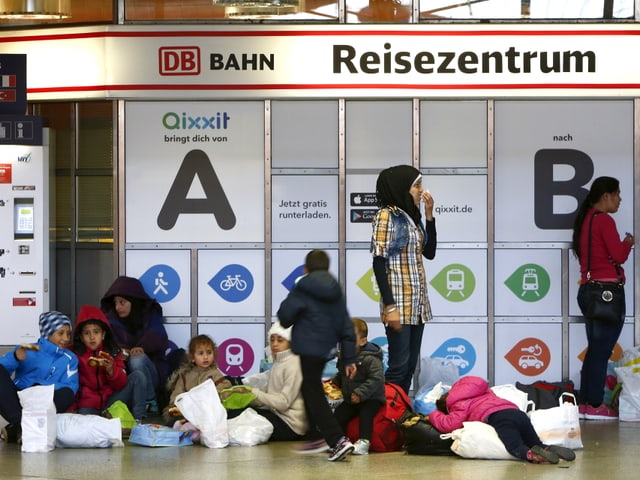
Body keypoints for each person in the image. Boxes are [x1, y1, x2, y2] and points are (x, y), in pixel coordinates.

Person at [278, 249, 358, 462]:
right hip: (326, 349)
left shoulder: (302, 287)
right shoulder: (335, 290)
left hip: (307, 348)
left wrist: (293, 296)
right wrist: (350, 358)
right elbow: (346, 325)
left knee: (312, 392)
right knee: (309, 388)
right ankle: (317, 436)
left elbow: (285, 317)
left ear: (306, 269)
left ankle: (336, 439)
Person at [370, 164, 437, 393]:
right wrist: (389, 306)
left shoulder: (411, 216)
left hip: (417, 304)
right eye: (416, 185)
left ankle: (400, 414)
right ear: (402, 187)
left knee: (409, 367)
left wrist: (429, 217)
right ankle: (386, 420)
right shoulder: (386, 215)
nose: (421, 190)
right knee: (398, 367)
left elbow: (429, 253)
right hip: (399, 302)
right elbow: (379, 262)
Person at [572, 176, 634, 420]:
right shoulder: (605, 220)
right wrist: (628, 242)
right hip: (607, 293)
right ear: (606, 196)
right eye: (617, 194)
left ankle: (586, 403)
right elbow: (618, 255)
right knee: (601, 351)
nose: (619, 200)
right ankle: (596, 404)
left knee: (595, 350)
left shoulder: (586, 219)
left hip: (588, 290)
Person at [429, 376, 576, 464]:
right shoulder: (485, 391)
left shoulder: (458, 404)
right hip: (517, 412)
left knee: (516, 446)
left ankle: (534, 456)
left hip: (500, 418)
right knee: (533, 441)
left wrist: (434, 415)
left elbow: (450, 424)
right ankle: (545, 448)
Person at [0, 311, 79, 443]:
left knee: (67, 394)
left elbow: (71, 386)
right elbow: (3, 371)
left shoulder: (70, 358)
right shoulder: (27, 348)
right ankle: (21, 423)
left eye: (68, 333)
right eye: (61, 333)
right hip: (20, 399)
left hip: (46, 400)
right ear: (48, 333)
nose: (66, 338)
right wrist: (14, 357)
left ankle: (20, 428)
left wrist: (41, 387)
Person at [101, 275, 170, 413]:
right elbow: (107, 345)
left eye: (122, 302)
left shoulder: (149, 314)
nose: (117, 307)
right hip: (125, 377)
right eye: (115, 303)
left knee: (137, 358)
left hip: (152, 374)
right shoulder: (111, 319)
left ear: (133, 301)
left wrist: (141, 347)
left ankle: (150, 402)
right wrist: (120, 352)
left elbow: (158, 336)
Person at [71, 304, 148, 421]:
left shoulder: (112, 351)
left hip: (111, 401)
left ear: (103, 334)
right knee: (89, 431)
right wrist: (73, 409)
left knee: (138, 376)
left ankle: (139, 421)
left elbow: (121, 384)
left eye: (96, 332)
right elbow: (70, 384)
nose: (92, 337)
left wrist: (112, 371)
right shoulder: (74, 354)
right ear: (81, 337)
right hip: (87, 405)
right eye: (87, 333)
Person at [330, 318, 385, 455]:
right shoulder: (344, 356)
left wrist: (360, 393)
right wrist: (335, 382)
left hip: (371, 397)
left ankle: (364, 442)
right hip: (351, 398)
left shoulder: (371, 358)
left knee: (366, 414)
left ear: (362, 341)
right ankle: (340, 442)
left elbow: (377, 378)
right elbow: (343, 373)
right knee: (339, 413)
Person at [248, 321, 308, 441]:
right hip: (279, 417)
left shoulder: (294, 364)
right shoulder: (279, 361)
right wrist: (248, 396)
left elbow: (283, 403)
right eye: (272, 339)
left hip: (291, 425)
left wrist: (256, 394)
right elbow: (269, 392)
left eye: (280, 340)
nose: (274, 344)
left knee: (243, 416)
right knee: (242, 411)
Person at [163, 334, 232, 424]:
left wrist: (208, 395)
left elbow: (225, 388)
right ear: (192, 357)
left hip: (207, 407)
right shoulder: (185, 375)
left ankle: (195, 424)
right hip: (188, 408)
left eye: (209, 353)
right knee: (172, 412)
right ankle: (187, 424)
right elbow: (176, 396)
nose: (206, 357)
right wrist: (185, 402)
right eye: (201, 353)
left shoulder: (214, 373)